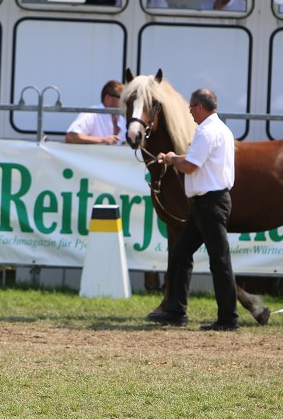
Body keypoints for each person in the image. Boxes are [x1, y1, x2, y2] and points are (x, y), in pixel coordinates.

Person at [146, 88, 239, 331]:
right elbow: (196, 159)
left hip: (210, 203)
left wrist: (172, 158)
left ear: (199, 107)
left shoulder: (207, 131)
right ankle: (176, 311)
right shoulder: (221, 129)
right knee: (181, 253)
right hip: (206, 204)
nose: (188, 111)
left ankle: (228, 318)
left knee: (219, 261)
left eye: (190, 107)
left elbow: (189, 166)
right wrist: (175, 157)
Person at [66, 80, 124, 145]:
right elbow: (71, 136)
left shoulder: (122, 118)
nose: (124, 101)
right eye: (121, 97)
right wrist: (103, 140)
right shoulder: (92, 113)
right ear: (108, 98)